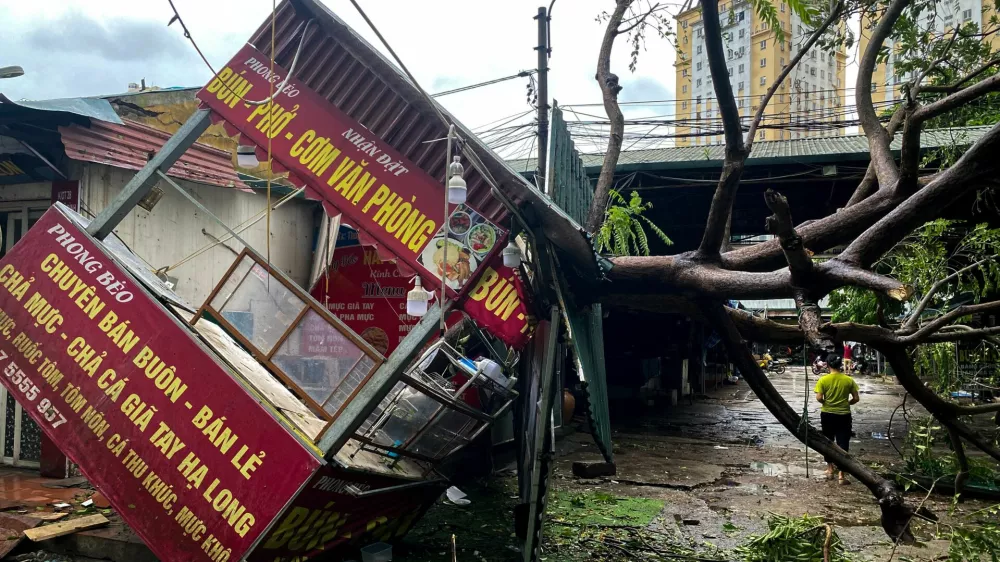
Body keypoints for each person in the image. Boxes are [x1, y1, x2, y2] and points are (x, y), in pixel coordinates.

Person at [814, 353, 860, 484]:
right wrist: (848, 403)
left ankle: (829, 469)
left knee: (828, 441)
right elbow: (856, 398)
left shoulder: (823, 380)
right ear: (840, 365)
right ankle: (841, 475)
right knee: (843, 442)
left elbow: (818, 397)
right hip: (844, 415)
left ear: (827, 365)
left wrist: (825, 402)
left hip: (827, 414)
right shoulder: (848, 380)